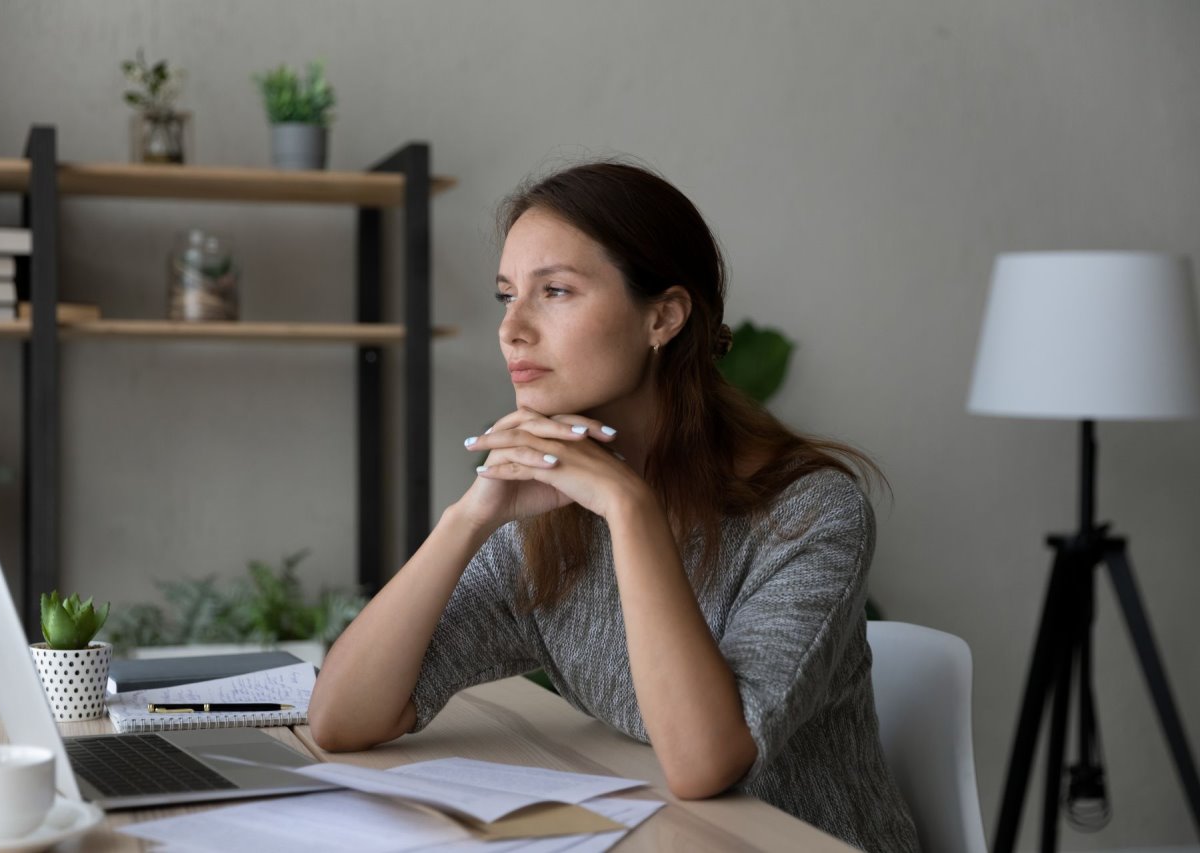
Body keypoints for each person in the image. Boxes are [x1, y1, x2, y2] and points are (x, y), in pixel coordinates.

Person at [308, 160, 920, 852]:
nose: (512, 329)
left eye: (555, 291)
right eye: (507, 295)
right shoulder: (546, 514)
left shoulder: (808, 513)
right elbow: (341, 719)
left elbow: (704, 763)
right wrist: (468, 517)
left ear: (662, 317)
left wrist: (631, 509)